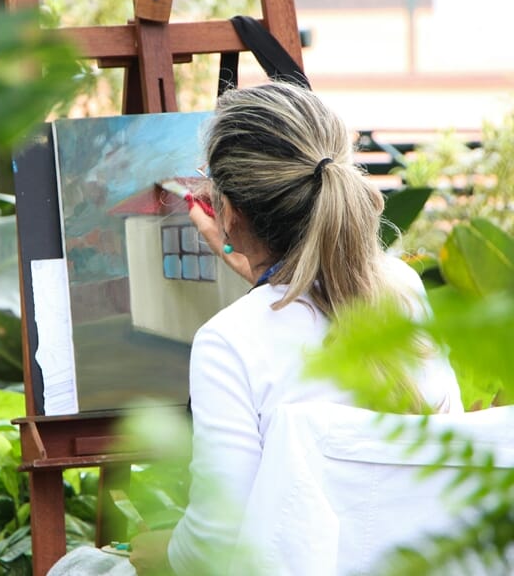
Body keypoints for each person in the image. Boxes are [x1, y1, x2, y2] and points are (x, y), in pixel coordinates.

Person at [126, 82, 463, 575]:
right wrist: (272, 284)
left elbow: (219, 538)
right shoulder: (404, 289)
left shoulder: (229, 341)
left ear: (231, 214)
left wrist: (166, 552)